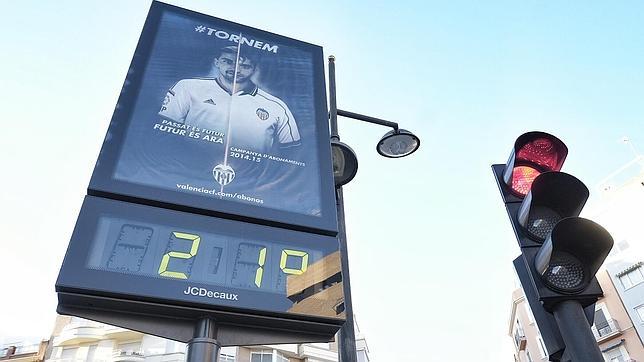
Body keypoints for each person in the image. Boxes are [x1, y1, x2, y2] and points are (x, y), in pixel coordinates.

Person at [159, 45, 301, 154]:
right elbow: (163, 132)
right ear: (216, 62)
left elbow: (291, 153)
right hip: (185, 174)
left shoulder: (277, 106)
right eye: (228, 61)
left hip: (249, 186)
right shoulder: (188, 87)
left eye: (245, 66)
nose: (236, 69)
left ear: (254, 69)